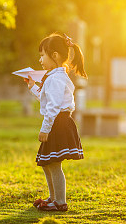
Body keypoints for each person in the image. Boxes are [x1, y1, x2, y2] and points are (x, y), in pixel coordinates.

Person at [24, 32, 87, 212]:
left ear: (55, 56)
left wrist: (45, 129)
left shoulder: (57, 78)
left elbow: (53, 107)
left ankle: (60, 201)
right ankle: (53, 197)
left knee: (54, 164)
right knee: (47, 162)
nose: (40, 59)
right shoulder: (54, 77)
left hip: (58, 124)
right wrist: (32, 87)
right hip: (56, 122)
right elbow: (48, 101)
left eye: (43, 55)